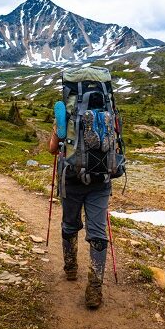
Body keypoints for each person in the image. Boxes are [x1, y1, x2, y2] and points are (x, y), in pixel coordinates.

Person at [48, 106, 112, 309]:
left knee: (69, 224)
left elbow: (52, 149)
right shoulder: (108, 111)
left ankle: (71, 268)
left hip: (71, 180)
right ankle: (94, 289)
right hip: (101, 181)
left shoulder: (63, 111)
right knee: (98, 233)